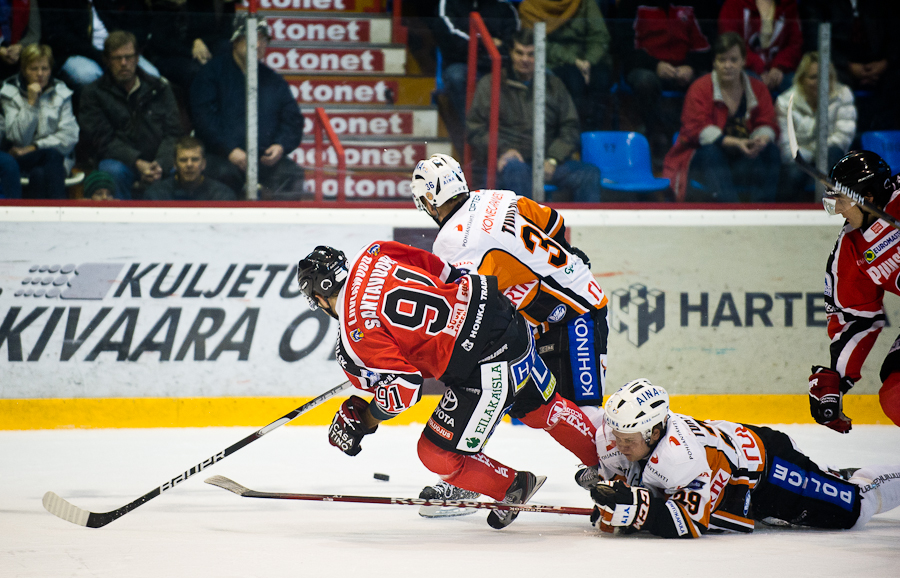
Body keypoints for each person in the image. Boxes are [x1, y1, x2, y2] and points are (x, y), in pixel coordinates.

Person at [297, 241, 600, 529]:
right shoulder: (372, 252)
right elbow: (442, 269)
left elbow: (404, 390)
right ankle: (614, 464)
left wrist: (365, 420)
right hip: (500, 311)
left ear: (319, 298)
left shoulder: (354, 335)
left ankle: (512, 486)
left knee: (435, 452)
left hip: (484, 364)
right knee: (542, 408)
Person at [410, 153, 610, 510]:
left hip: (577, 314)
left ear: (428, 200)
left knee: (587, 412)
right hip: (542, 315)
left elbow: (469, 300)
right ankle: (473, 472)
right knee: (494, 386)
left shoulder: (451, 242)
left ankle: (627, 481)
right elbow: (555, 223)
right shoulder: (497, 196)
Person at [575, 378, 900, 537]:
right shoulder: (622, 436)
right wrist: (612, 496)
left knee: (855, 507)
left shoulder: (682, 457)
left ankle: (852, 480)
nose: (619, 445)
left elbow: (689, 523)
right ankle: (829, 473)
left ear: (653, 433)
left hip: (769, 471)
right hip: (734, 477)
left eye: (627, 440)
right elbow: (635, 482)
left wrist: (635, 509)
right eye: (616, 436)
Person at [807, 151, 900, 432]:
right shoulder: (852, 249)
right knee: (895, 393)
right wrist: (836, 381)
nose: (840, 212)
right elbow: (855, 318)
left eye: (843, 202)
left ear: (868, 198)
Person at [467, 28, 601, 202]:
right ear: (511, 53)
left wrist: (554, 158)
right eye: (519, 53)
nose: (524, 59)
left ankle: (584, 229)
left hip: (547, 161)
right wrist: (503, 150)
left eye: (531, 54)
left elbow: (571, 126)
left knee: (589, 173)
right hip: (510, 162)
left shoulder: (555, 86)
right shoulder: (491, 84)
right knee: (515, 170)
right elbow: (475, 127)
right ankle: (527, 227)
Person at [190, 13, 304, 200]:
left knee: (290, 174)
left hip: (263, 158)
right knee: (221, 175)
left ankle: (278, 229)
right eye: (252, 38)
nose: (258, 45)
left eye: (263, 39)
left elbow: (293, 120)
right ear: (235, 41)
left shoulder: (274, 80)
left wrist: (280, 145)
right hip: (223, 157)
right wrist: (228, 149)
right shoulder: (211, 74)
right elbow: (204, 118)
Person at [662, 31, 780, 202]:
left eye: (733, 60)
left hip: (744, 157)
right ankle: (732, 212)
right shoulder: (699, 88)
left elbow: (768, 121)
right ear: (714, 63)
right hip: (705, 159)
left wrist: (760, 140)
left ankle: (761, 211)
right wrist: (737, 143)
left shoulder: (758, 88)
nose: (727, 65)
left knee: (771, 151)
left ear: (743, 61)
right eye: (722, 60)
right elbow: (697, 130)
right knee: (711, 152)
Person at [78, 30, 182, 199]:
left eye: (129, 57)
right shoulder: (93, 93)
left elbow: (174, 132)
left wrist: (159, 164)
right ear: (106, 60)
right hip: (120, 161)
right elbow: (102, 139)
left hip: (159, 160)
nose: (124, 63)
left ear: (137, 57)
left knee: (183, 167)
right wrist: (138, 162)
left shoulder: (159, 88)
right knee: (112, 171)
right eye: (117, 58)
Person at [614, 0, 717, 153]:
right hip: (646, 67)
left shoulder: (699, 6)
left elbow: (709, 45)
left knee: (706, 82)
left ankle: (696, 139)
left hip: (684, 69)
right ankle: (654, 133)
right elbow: (623, 47)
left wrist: (691, 66)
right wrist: (655, 65)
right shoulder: (630, 5)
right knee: (645, 81)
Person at [799, 1, 900, 137]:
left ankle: (888, 141)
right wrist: (847, 66)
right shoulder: (818, 4)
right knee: (829, 79)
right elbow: (814, 39)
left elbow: (895, 34)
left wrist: (886, 62)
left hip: (880, 64)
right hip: (839, 65)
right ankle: (842, 141)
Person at [518, 0, 613, 132]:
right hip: (553, 61)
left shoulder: (584, 3)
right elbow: (537, 42)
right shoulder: (530, 6)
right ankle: (571, 133)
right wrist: (573, 60)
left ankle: (593, 135)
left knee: (601, 77)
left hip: (587, 58)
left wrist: (588, 62)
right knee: (573, 80)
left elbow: (599, 36)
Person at [775, 52, 856, 202]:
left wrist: (819, 153)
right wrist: (813, 155)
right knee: (793, 172)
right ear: (801, 79)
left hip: (830, 152)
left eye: (823, 77)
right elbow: (787, 148)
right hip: (801, 159)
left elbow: (843, 137)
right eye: (813, 77)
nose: (818, 82)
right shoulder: (785, 101)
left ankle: (838, 208)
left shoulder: (843, 94)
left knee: (834, 156)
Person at [1, 44, 79, 199]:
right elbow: (17, 137)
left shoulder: (61, 93)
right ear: (23, 69)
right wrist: (31, 104)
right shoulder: (9, 93)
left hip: (55, 161)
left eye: (45, 68)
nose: (40, 74)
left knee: (40, 173)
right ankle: (59, 213)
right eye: (33, 69)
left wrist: (35, 146)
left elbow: (70, 136)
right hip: (22, 159)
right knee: (50, 157)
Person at [430, 0, 520, 135]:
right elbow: (452, 40)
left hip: (499, 67)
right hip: (463, 65)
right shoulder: (448, 4)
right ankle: (476, 134)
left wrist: (479, 44)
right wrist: (488, 43)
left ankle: (511, 139)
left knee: (531, 75)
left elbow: (515, 43)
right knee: (456, 76)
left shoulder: (505, 6)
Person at [39, 0, 159, 88]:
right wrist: (99, 56)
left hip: (117, 50)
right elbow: (59, 37)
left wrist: (121, 51)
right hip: (77, 53)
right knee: (90, 76)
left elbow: (131, 24)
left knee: (152, 75)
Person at [718, 0, 803, 96]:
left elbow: (795, 43)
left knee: (799, 85)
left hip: (778, 70)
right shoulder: (734, 4)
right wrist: (759, 67)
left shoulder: (788, 5)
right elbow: (731, 43)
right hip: (746, 67)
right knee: (755, 86)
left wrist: (779, 66)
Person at [144, 136, 236, 201]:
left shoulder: (222, 196)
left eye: (195, 159)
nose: (189, 164)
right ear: (175, 164)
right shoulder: (156, 195)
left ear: (203, 164)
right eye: (183, 160)